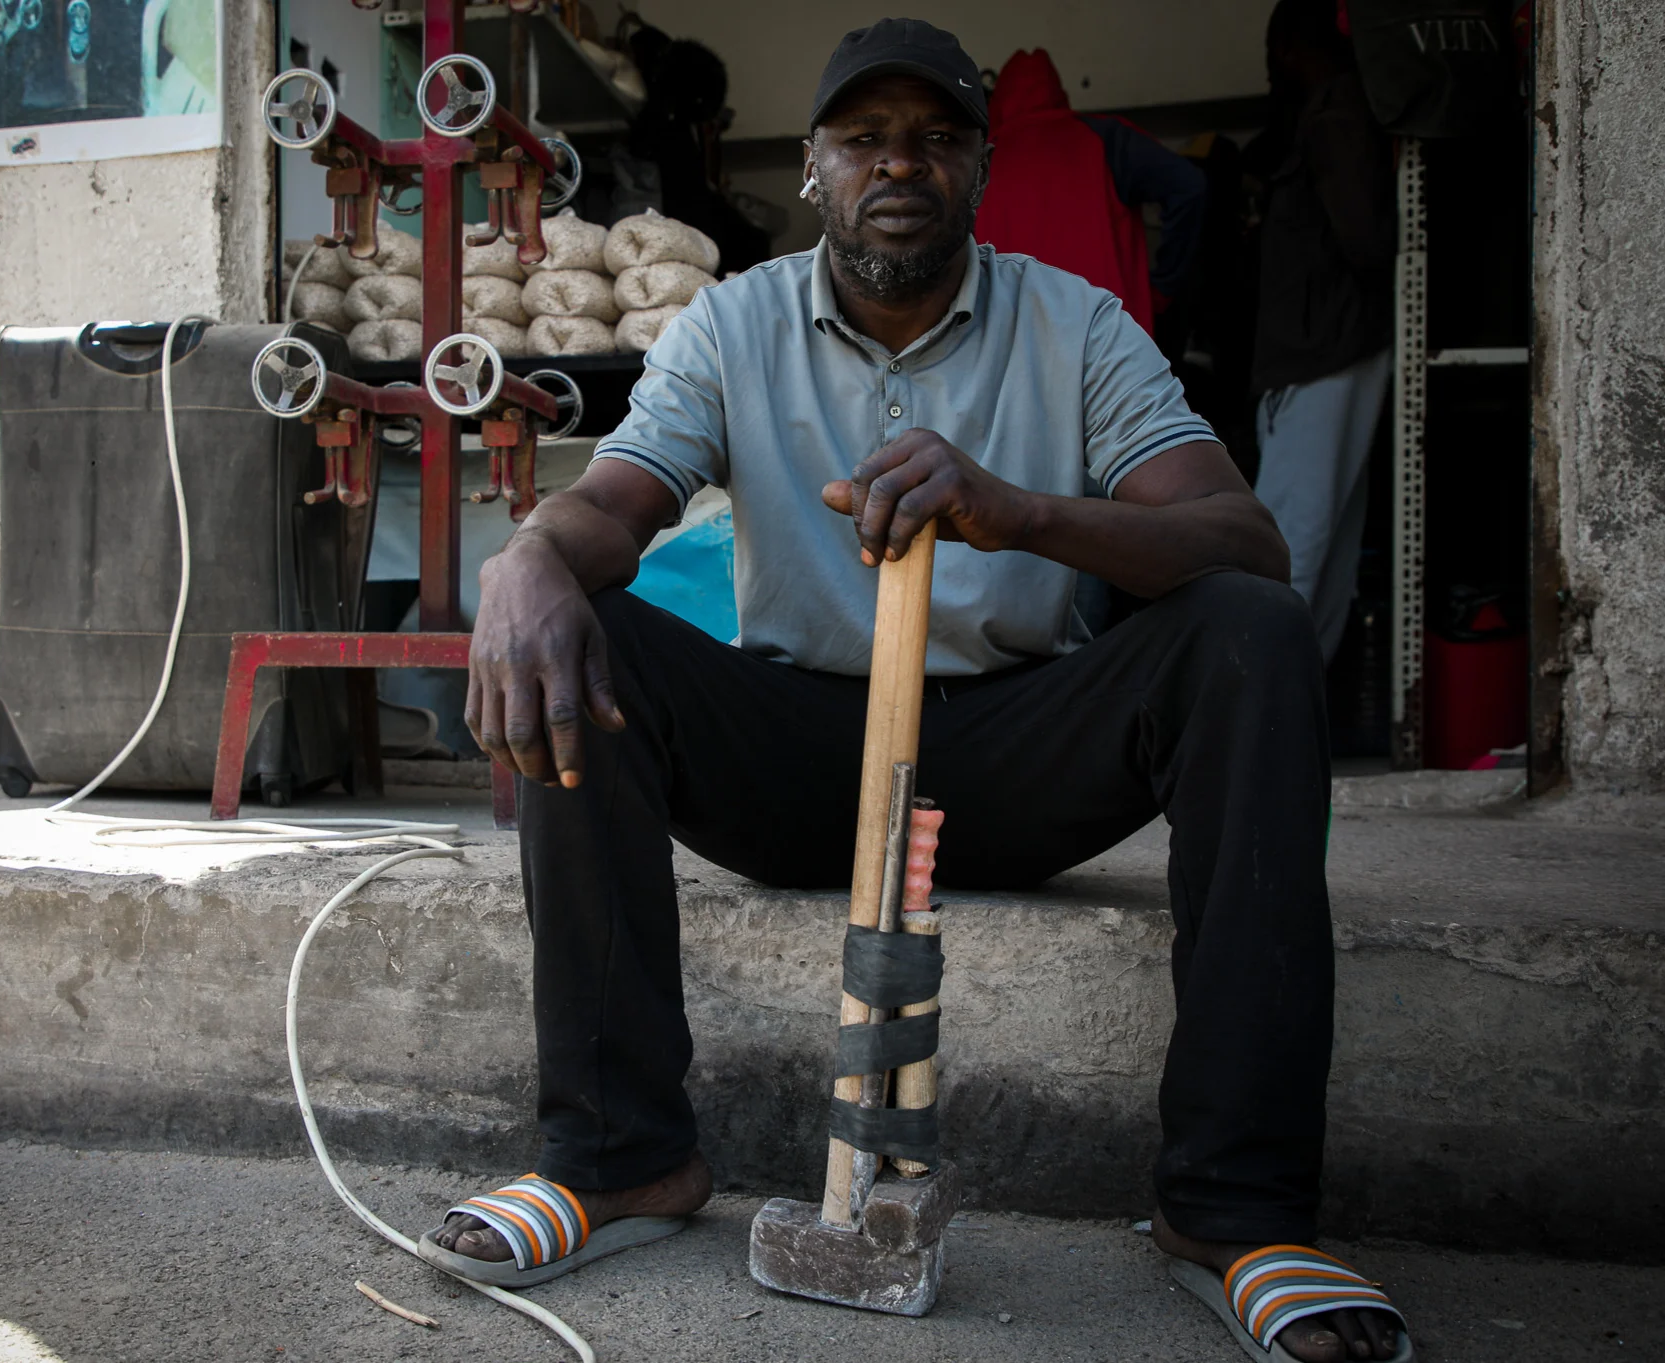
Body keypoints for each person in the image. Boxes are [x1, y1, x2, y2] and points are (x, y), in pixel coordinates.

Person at [422, 19, 1410, 1363]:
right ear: (818, 169)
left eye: (937, 138)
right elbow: (615, 499)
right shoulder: (732, 319)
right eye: (864, 139)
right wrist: (528, 561)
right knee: (584, 625)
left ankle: (1236, 1212)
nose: (902, 164)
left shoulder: (1076, 322)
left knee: (1245, 630)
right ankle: (615, 1156)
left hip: (1010, 755)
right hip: (800, 760)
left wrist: (1016, 512)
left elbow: (1242, 540)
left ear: (980, 171)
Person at [1249, 0, 1396, 661]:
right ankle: (1290, 710)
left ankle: (1258, 706)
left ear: (1292, 47)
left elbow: (1366, 241)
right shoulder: (1333, 111)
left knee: (1286, 543)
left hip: (1322, 350)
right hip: (1332, 346)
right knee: (1318, 541)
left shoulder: (1334, 114)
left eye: (1274, 47)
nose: (1270, 64)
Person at [973, 47, 1206, 336]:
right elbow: (1188, 186)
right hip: (1111, 350)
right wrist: (1162, 288)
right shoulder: (1106, 139)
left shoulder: (977, 162)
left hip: (1015, 356)